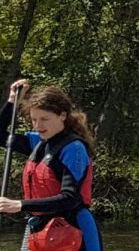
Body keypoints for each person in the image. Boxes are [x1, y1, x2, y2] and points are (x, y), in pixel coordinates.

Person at [0, 79, 101, 251]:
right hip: (40, 229)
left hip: (73, 228)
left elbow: (69, 198)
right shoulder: (37, 142)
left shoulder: (74, 149)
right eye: (34, 119)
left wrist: (20, 204)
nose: (38, 126)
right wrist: (12, 101)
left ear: (62, 116)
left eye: (45, 119)